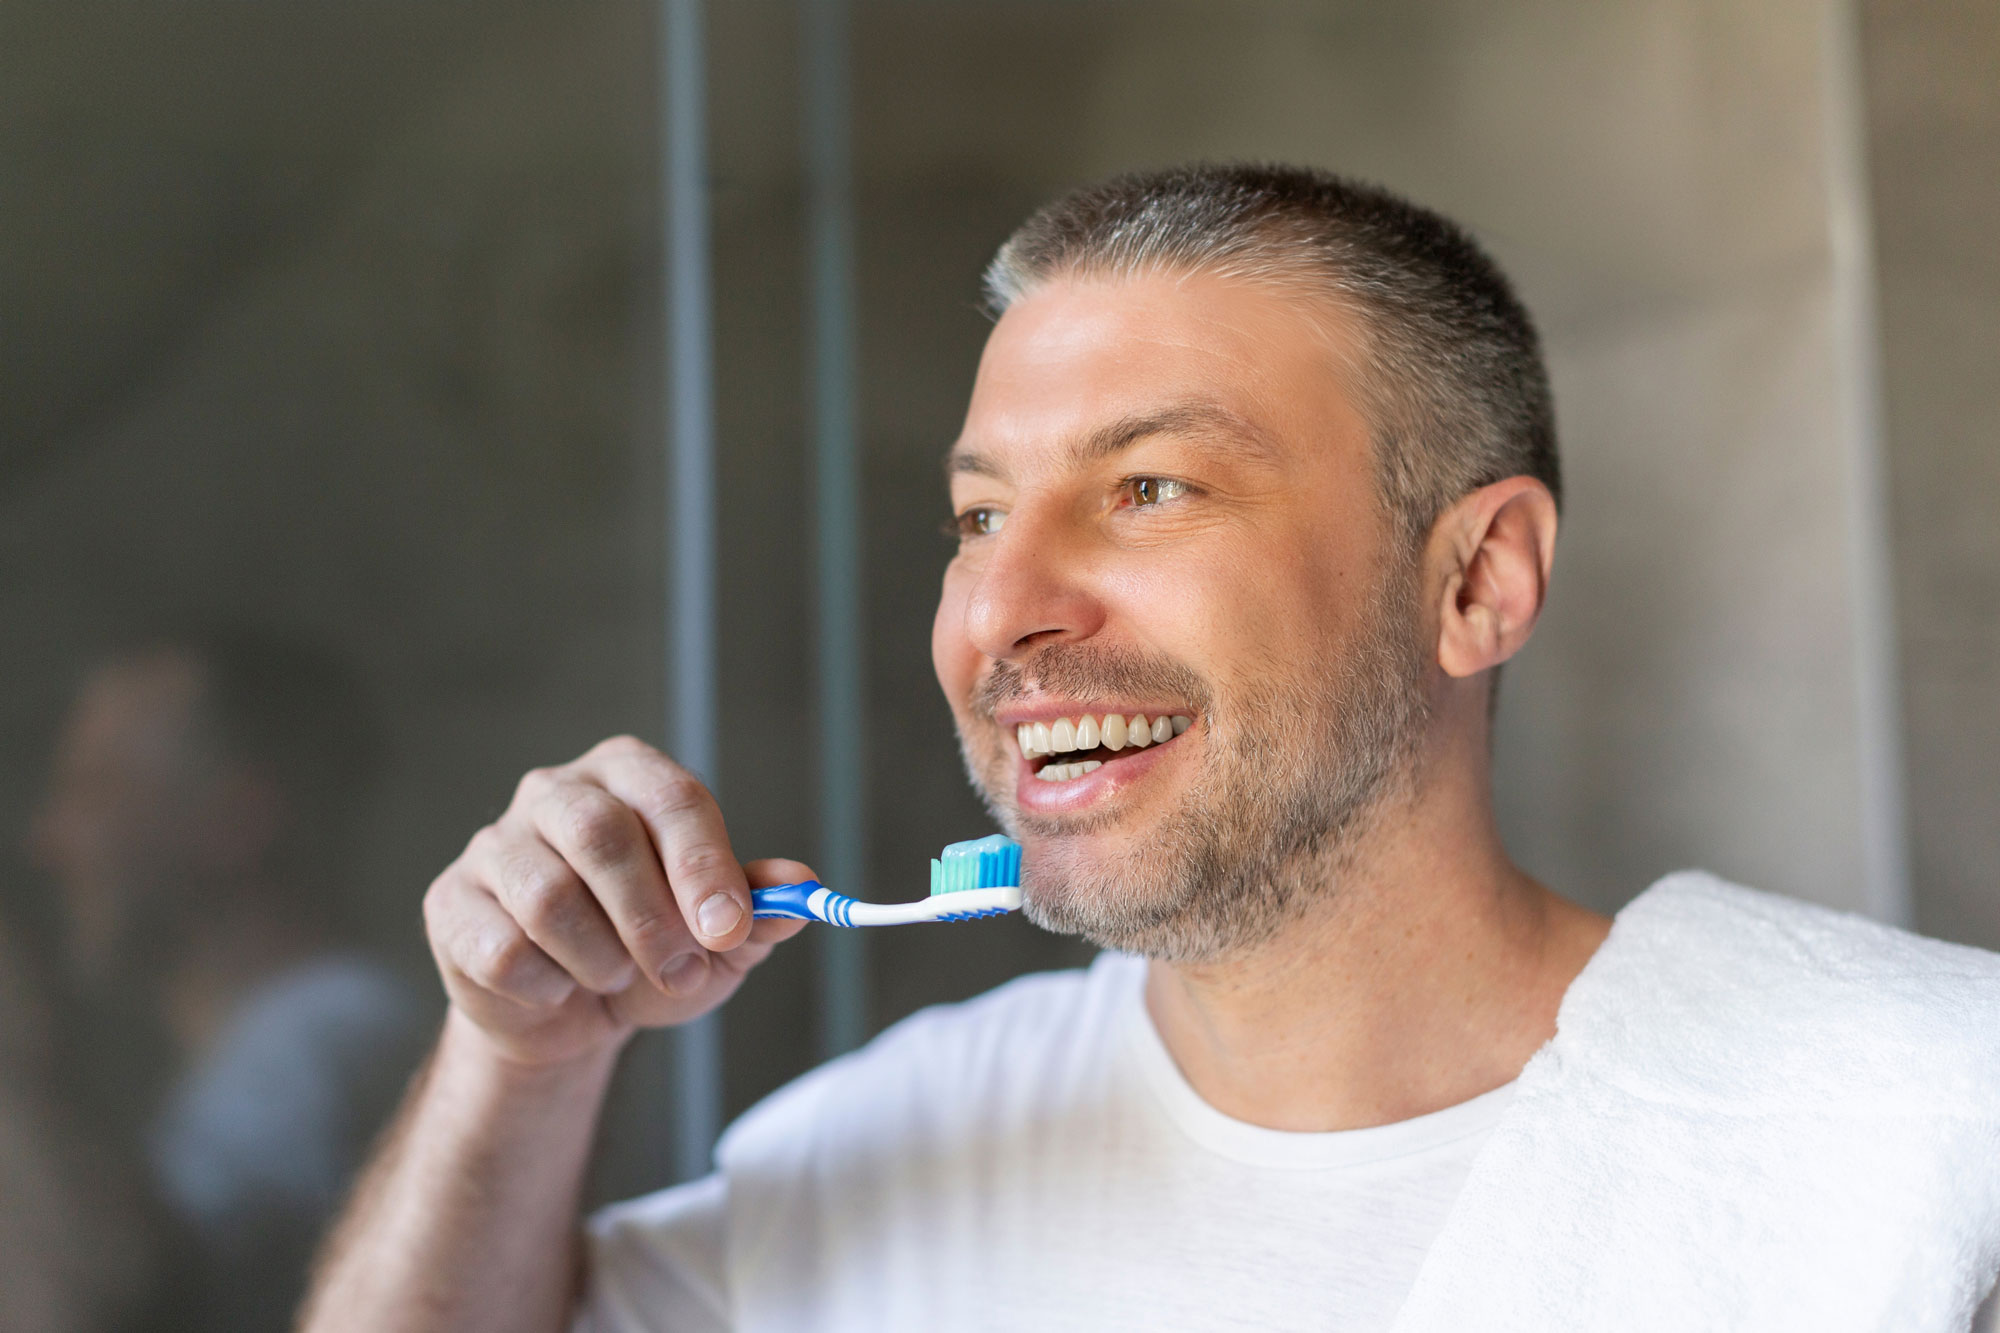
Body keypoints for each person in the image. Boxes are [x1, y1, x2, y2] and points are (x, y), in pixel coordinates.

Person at [301, 165, 2000, 1332]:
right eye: (977, 517)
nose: (998, 613)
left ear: (1477, 579)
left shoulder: (1927, 1133)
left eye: (1149, 487)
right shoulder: (869, 1159)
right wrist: (517, 1063)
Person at [29, 628, 431, 1331]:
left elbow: (127, 1295)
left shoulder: (326, 1036)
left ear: (237, 819)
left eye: (98, 787)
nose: (50, 838)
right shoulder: (267, 1046)